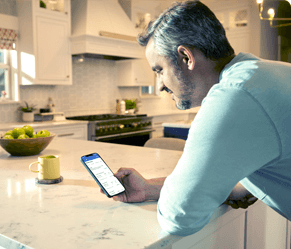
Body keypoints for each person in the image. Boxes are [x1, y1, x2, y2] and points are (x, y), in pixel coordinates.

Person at [103, 0, 291, 236]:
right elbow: (230, 184)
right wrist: (149, 188)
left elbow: (180, 216)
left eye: (159, 70)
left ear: (186, 57)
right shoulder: (266, 73)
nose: (160, 85)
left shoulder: (235, 95)